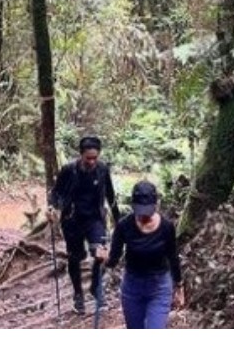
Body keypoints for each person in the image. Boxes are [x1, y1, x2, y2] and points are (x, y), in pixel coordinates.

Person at [47, 135, 121, 314]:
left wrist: (118, 219)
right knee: (75, 257)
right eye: (88, 158)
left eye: (95, 157)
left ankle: (95, 287)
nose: (92, 161)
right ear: (81, 155)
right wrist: (52, 207)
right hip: (72, 220)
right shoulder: (68, 170)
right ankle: (78, 294)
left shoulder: (102, 169)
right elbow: (56, 193)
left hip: (95, 219)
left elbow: (110, 195)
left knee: (100, 254)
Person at [106, 180, 184, 329]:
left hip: (159, 287)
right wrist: (103, 259)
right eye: (140, 210)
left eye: (147, 210)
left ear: (156, 205)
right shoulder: (124, 226)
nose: (143, 215)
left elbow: (173, 257)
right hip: (132, 288)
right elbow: (113, 259)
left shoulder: (167, 227)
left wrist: (179, 286)